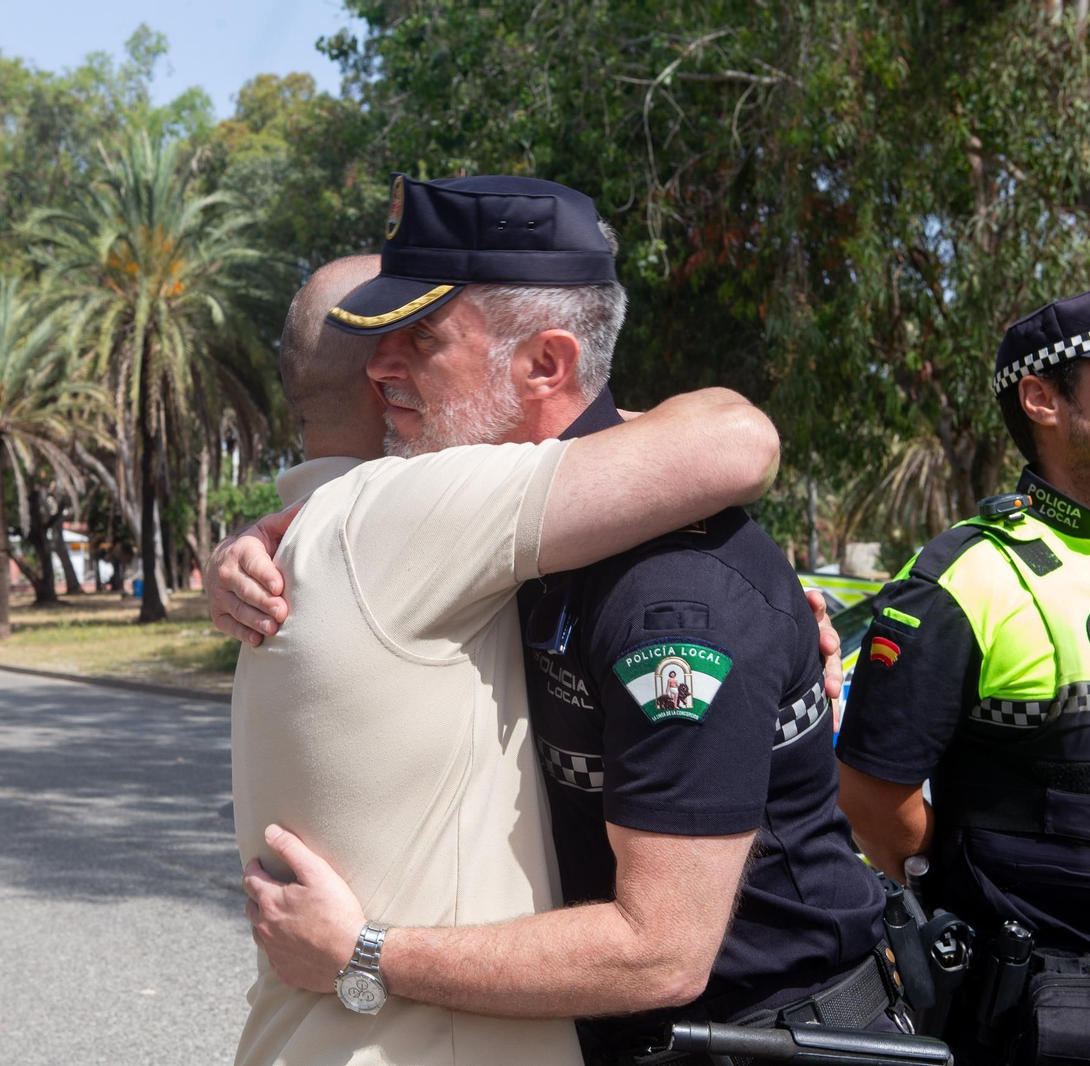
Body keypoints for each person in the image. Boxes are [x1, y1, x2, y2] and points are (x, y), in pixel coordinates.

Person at [215, 173, 897, 1066]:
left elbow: (658, 952)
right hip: (618, 1031)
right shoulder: (495, 538)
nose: (380, 371)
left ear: (545, 364)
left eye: (423, 339)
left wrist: (364, 952)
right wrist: (262, 540)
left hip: (756, 1039)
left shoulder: (672, 591)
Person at [834, 281, 1090, 1065]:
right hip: (1059, 1025)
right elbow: (871, 801)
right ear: (1041, 399)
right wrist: (960, 897)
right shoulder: (968, 576)